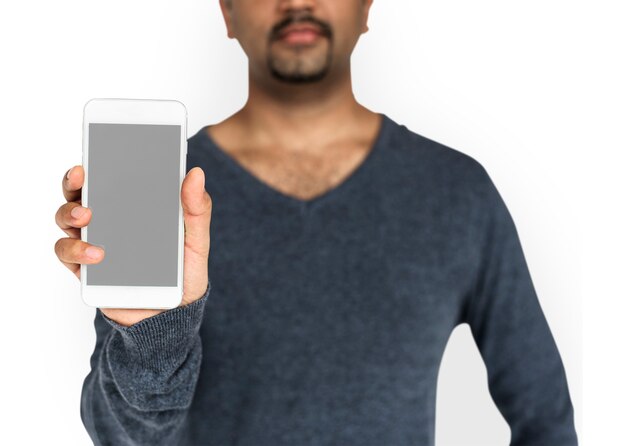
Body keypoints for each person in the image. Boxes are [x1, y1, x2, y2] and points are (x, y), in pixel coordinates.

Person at [54, 0, 579, 444]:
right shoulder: (165, 192)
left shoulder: (457, 192)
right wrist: (153, 338)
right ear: (227, 12)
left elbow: (545, 415)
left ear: (367, 7)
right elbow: (117, 434)